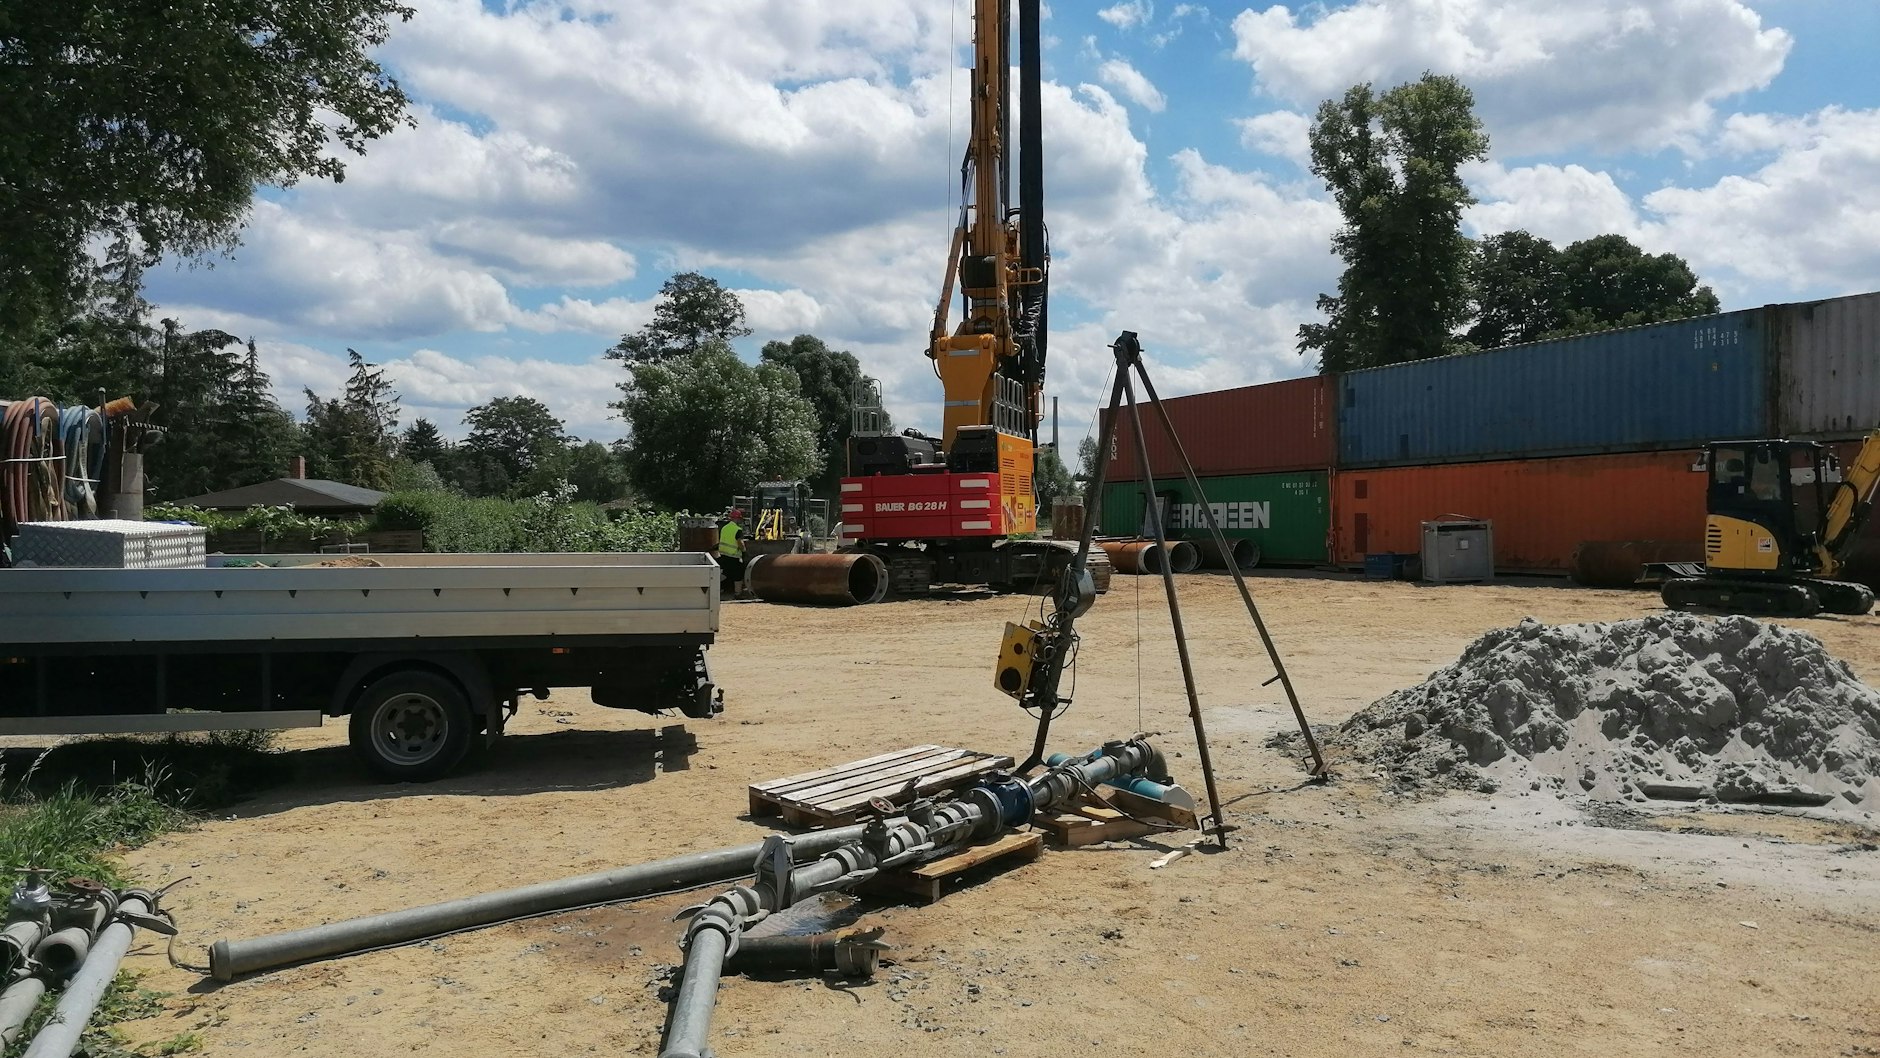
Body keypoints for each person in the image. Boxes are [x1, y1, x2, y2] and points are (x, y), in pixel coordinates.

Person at [717, 508, 749, 594]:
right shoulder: (737, 529)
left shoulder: (724, 528)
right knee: (738, 575)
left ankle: (715, 588)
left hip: (723, 554)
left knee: (725, 573)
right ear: (737, 518)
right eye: (740, 518)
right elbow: (740, 543)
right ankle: (738, 593)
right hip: (734, 556)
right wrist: (744, 551)